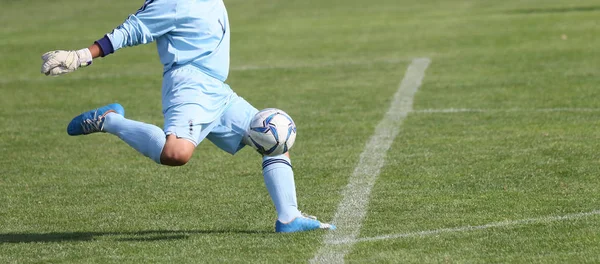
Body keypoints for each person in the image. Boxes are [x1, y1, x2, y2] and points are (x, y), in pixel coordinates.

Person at [40, 0, 335, 233]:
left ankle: (289, 217)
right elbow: (132, 30)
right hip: (189, 86)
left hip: (218, 90)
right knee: (176, 153)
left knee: (273, 136)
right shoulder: (173, 2)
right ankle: (110, 120)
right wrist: (81, 55)